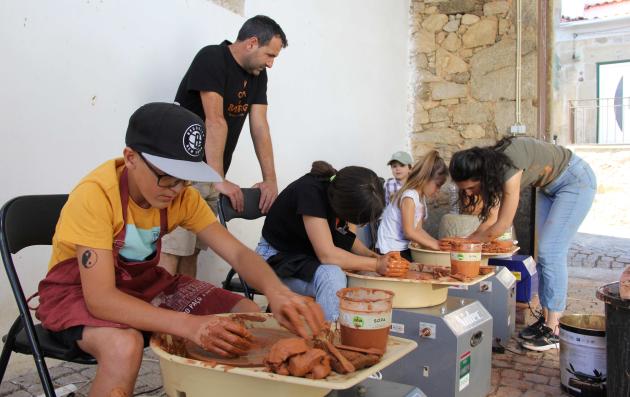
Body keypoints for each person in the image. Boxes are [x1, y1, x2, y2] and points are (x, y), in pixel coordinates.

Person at [35, 103, 324, 397]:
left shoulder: (181, 196)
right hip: (79, 291)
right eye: (166, 177)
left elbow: (237, 253)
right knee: (125, 345)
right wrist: (189, 325)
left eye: (184, 179)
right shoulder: (96, 196)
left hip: (141, 284)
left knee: (245, 315)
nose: (174, 189)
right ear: (131, 158)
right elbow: (101, 300)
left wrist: (276, 292)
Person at [160, 15, 287, 277]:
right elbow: (215, 121)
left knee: (191, 252)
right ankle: (159, 316)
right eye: (270, 55)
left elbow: (260, 126)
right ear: (252, 43)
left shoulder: (257, 75)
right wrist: (219, 179)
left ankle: (186, 312)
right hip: (183, 173)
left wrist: (270, 180)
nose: (271, 63)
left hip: (209, 174)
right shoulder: (212, 57)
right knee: (172, 252)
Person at [449, 136, 596, 351]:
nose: (469, 194)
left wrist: (467, 245)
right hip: (549, 187)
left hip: (576, 180)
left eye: (471, 188)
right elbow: (490, 219)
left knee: (550, 251)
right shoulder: (491, 170)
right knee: (544, 252)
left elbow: (502, 225)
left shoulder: (507, 167)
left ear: (481, 175)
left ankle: (554, 328)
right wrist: (468, 240)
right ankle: (546, 320)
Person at [254, 161, 399, 321]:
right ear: (344, 209)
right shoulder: (310, 192)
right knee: (331, 275)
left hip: (304, 256)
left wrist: (375, 258)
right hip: (273, 258)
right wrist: (377, 265)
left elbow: (346, 238)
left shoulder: (339, 190)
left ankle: (346, 330)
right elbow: (327, 256)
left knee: (360, 272)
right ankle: (329, 338)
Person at [377, 150, 448, 259]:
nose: (438, 190)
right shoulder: (409, 196)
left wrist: (438, 244)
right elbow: (409, 233)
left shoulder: (421, 198)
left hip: (403, 246)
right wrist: (434, 245)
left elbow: (418, 230)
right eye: (437, 185)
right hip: (390, 248)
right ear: (426, 178)